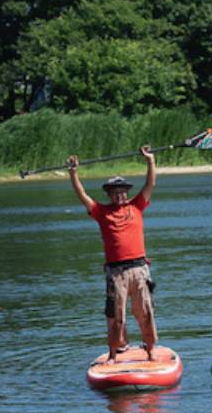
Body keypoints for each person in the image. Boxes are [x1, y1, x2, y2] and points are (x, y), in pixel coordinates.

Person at [68, 146, 158, 364]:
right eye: (115, 193)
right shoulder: (101, 212)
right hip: (116, 272)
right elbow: (82, 195)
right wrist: (73, 173)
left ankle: (150, 350)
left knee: (145, 311)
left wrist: (150, 161)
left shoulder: (137, 206)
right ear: (109, 195)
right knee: (115, 314)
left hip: (139, 269)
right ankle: (113, 353)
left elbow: (150, 184)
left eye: (122, 192)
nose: (120, 196)